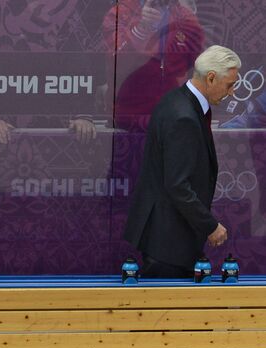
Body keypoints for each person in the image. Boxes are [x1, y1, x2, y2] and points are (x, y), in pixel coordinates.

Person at [124, 45, 241, 277]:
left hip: (168, 237)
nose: (232, 93)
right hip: (168, 243)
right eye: (229, 85)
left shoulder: (176, 101)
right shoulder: (184, 117)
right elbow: (178, 185)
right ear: (210, 78)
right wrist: (209, 225)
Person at [102, 0, 204, 131]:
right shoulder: (119, 13)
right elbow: (117, 62)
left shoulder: (184, 15)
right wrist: (141, 28)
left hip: (171, 117)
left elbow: (194, 63)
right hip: (127, 120)